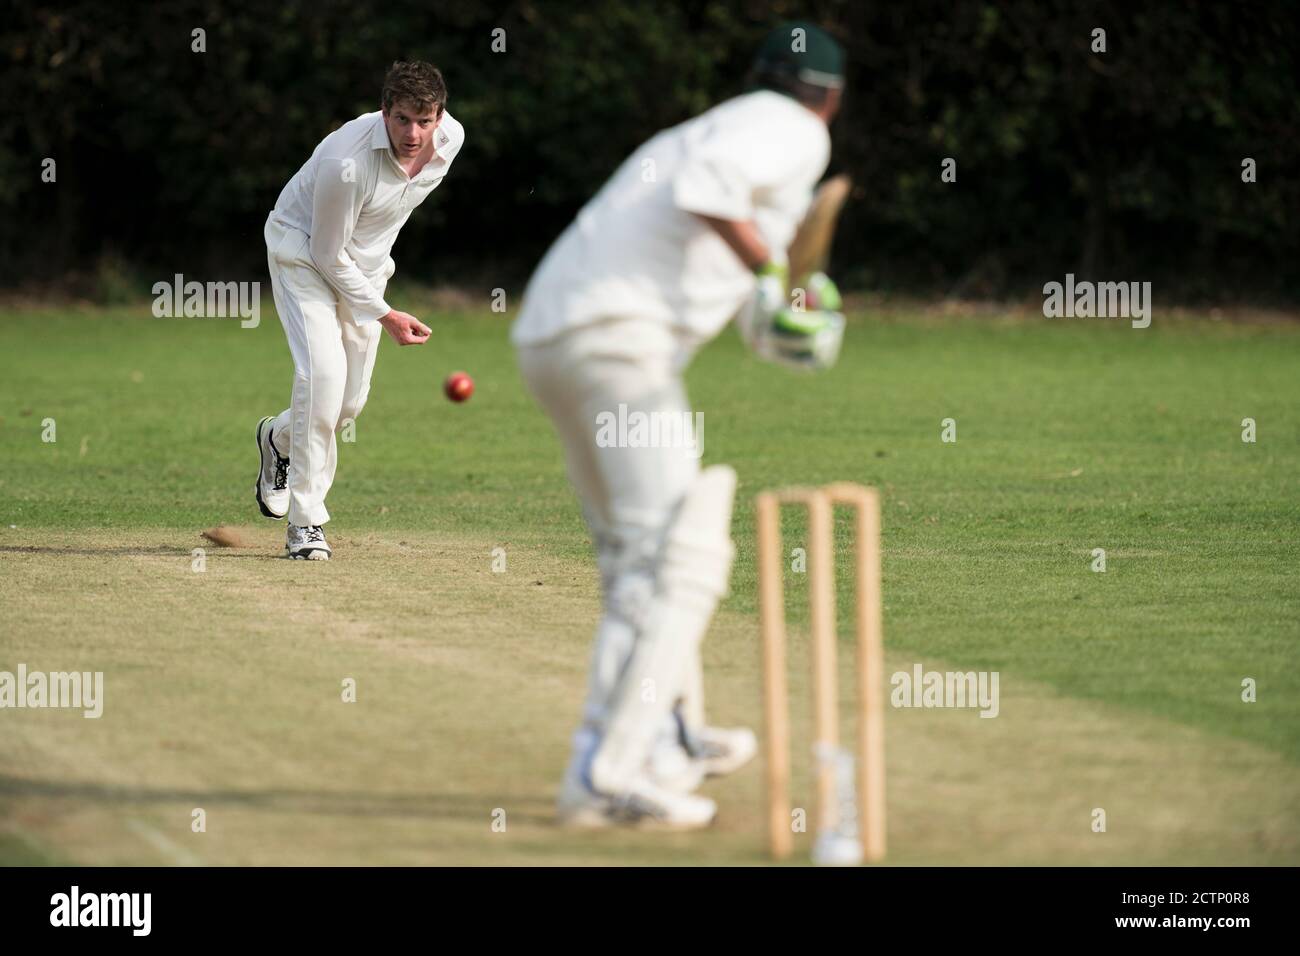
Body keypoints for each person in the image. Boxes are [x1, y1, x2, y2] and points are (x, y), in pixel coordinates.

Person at [513, 23, 848, 827]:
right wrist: (774, 271)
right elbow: (709, 194)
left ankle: (669, 735)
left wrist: (796, 316)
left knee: (639, 561)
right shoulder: (790, 130)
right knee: (681, 562)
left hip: (557, 338)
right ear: (830, 99)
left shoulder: (719, 128)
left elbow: (749, 299)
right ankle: (607, 771)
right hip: (620, 345)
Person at [254, 61, 464, 559]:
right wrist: (386, 314)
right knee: (321, 382)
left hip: (366, 270)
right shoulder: (347, 161)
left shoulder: (451, 140)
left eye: (425, 120)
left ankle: (278, 438)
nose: (414, 134)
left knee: (347, 405)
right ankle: (305, 525)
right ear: (384, 112)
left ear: (440, 116)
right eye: (402, 120)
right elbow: (327, 253)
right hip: (303, 253)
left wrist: (373, 295)